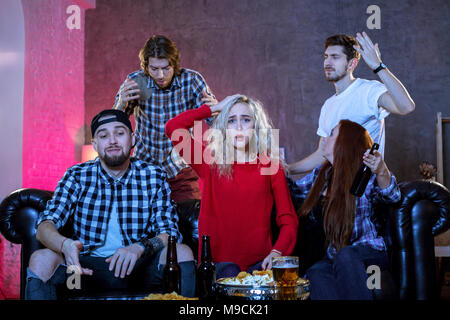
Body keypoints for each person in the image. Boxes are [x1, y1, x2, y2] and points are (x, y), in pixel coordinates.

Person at [25, 109, 196, 299]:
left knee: (182, 252)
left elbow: (170, 232)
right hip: (82, 270)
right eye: (104, 135)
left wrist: (139, 248)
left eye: (119, 133)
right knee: (40, 259)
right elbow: (44, 226)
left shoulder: (152, 175)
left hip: (139, 266)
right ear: (95, 144)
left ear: (132, 139)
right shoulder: (76, 175)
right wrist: (65, 245)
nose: (112, 140)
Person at [165, 94, 299, 278]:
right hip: (218, 265)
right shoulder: (209, 162)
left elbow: (288, 220)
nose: (238, 127)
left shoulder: (270, 166)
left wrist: (277, 252)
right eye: (231, 121)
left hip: (260, 265)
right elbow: (173, 127)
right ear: (223, 128)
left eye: (245, 120)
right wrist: (213, 109)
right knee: (231, 273)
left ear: (256, 126)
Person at [295, 119, 401, 299]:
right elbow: (293, 191)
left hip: (367, 252)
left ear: (344, 142)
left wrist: (382, 171)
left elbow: (393, 196)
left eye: (331, 134)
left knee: (346, 255)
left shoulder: (364, 175)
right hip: (333, 257)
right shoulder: (321, 176)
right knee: (316, 272)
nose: (324, 139)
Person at [113, 35, 216, 219]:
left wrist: (215, 110)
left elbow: (216, 123)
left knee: (192, 224)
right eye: (154, 69)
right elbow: (114, 124)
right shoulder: (136, 81)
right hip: (144, 172)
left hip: (181, 170)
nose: (160, 76)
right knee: (143, 226)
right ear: (146, 67)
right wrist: (121, 104)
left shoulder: (191, 80)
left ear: (174, 65)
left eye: (166, 69)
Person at [288, 32, 415, 175]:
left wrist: (378, 66)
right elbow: (322, 153)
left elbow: (406, 107)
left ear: (351, 63)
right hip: (339, 186)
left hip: (364, 187)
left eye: (335, 57)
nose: (327, 63)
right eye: (326, 57)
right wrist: (288, 169)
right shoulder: (327, 105)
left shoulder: (369, 91)